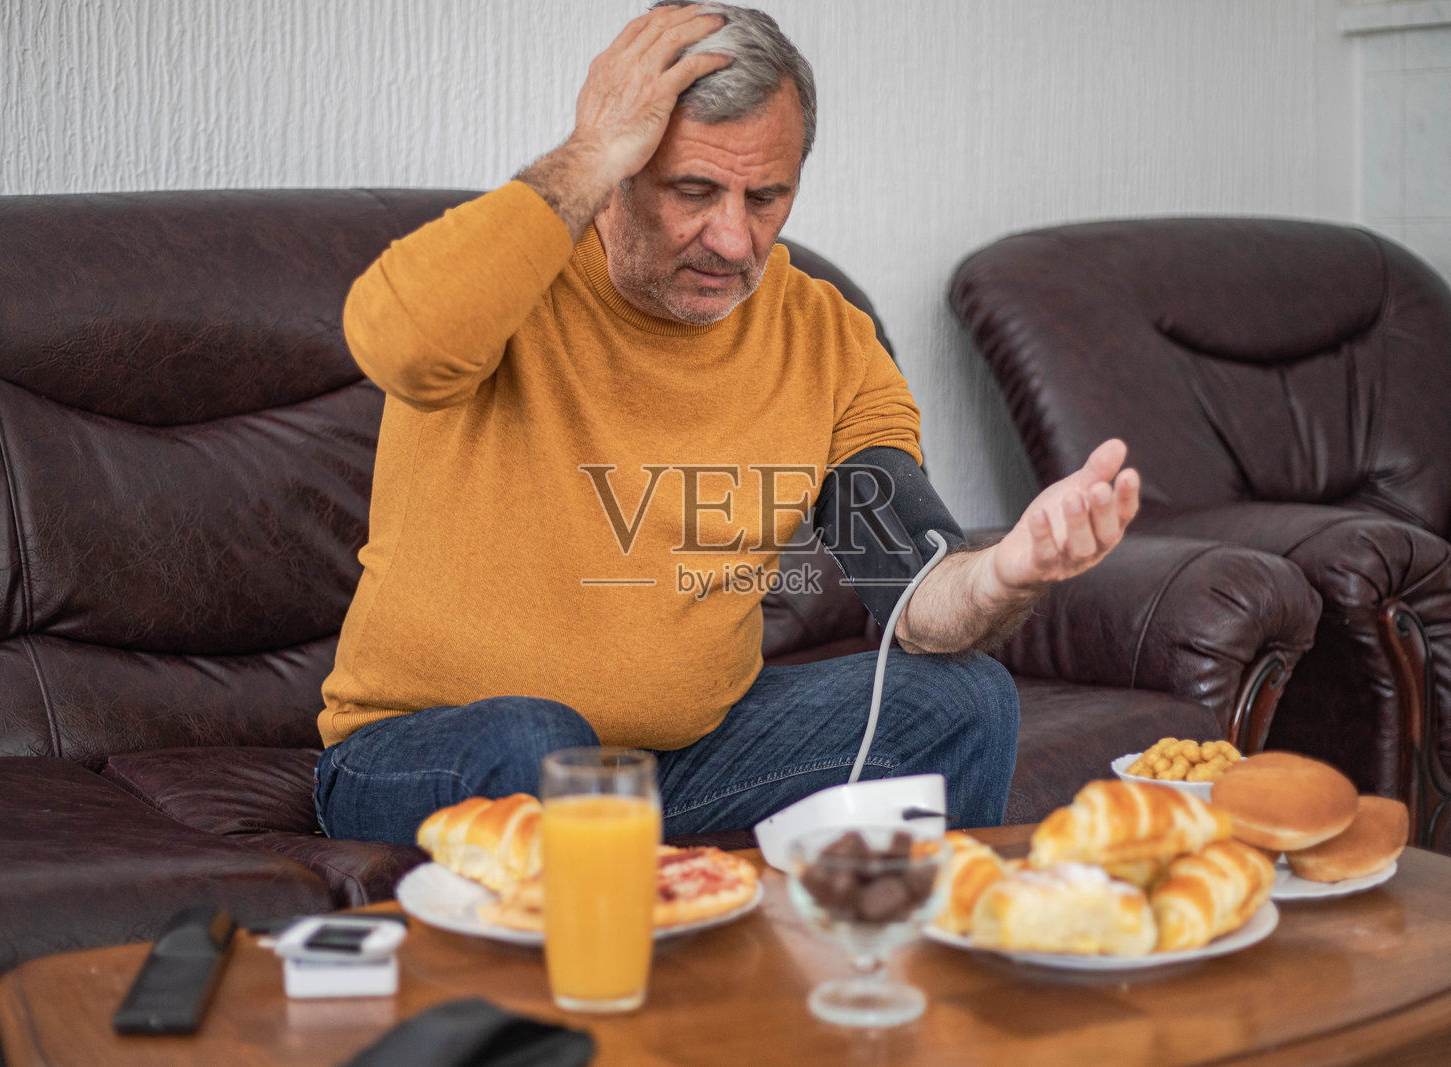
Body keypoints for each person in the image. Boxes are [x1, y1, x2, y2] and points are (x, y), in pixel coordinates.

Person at [313, 1, 1140, 844]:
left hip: (684, 760)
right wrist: (587, 151)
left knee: (964, 699)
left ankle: (908, 965)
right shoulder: (516, 276)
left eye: (767, 196)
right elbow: (397, 342)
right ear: (623, 171)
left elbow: (913, 593)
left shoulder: (822, 336)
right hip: (425, 751)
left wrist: (1009, 569)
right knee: (542, 744)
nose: (734, 239)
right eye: (695, 191)